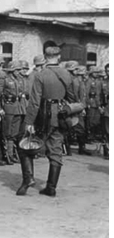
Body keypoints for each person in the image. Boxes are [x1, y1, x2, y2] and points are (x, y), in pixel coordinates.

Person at [17, 46, 75, 197]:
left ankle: (28, 179)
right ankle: (51, 187)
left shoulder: (41, 75)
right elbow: (72, 99)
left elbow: (35, 102)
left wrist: (29, 122)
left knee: (25, 147)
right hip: (61, 118)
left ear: (44, 57)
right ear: (59, 57)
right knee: (56, 151)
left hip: (43, 117)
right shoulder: (66, 74)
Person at [0, 61, 25, 165]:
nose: (19, 72)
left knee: (14, 133)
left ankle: (11, 154)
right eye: (17, 70)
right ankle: (5, 155)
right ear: (12, 70)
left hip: (17, 107)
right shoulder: (5, 80)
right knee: (7, 131)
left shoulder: (20, 80)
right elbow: (0, 94)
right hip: (8, 107)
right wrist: (0, 107)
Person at [85, 66, 103, 142]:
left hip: (98, 102)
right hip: (91, 102)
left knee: (96, 120)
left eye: (97, 72)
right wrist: (88, 102)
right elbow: (86, 93)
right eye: (95, 72)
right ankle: (89, 136)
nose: (96, 74)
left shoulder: (99, 81)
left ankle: (93, 135)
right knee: (90, 120)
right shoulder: (88, 81)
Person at [100, 64, 109, 159]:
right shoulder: (103, 82)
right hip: (107, 108)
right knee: (107, 131)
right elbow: (100, 95)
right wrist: (100, 106)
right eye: (107, 71)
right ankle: (107, 150)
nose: (108, 72)